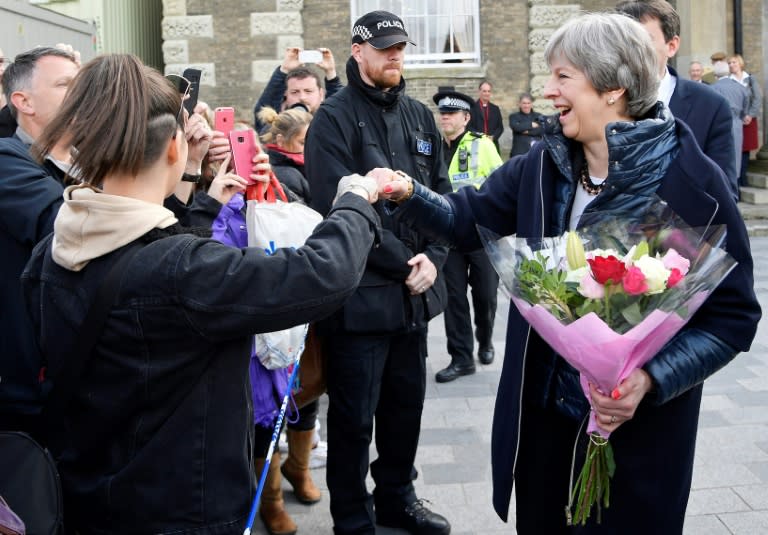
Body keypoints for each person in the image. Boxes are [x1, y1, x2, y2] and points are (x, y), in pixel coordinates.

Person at [375, 12, 760, 534]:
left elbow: (732, 317)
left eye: (562, 76)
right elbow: (467, 220)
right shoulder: (545, 164)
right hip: (544, 425)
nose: (548, 90)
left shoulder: (691, 181)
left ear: (613, 87)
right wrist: (405, 190)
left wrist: (649, 379)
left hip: (639, 431)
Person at [20, 53, 382, 533]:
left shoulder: (54, 248)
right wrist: (356, 199)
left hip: (86, 496)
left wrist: (200, 187)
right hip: (185, 509)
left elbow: (149, 243)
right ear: (172, 147)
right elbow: (322, 273)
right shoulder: (182, 272)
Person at [304, 10, 452, 535]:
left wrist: (434, 258)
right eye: (385, 48)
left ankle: (397, 498)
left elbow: (443, 196)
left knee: (404, 410)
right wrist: (403, 260)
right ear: (358, 51)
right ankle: (352, 516)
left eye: (400, 48)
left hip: (414, 296)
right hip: (362, 296)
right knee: (352, 418)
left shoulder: (419, 116)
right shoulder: (333, 119)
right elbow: (334, 204)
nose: (395, 56)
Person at [0, 46, 80, 435]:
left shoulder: (92, 165)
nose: (84, 94)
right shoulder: (6, 160)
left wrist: (184, 172)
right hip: (29, 393)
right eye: (67, 84)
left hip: (81, 384)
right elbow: (72, 229)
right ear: (23, 101)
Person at [616, 0, 737, 196]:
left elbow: (723, 196)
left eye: (643, 41)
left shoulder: (710, 106)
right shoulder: (593, 101)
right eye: (622, 41)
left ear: (671, 46)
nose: (630, 52)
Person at [431, 87, 502, 383]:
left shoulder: (482, 145)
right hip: (448, 235)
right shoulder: (432, 146)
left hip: (481, 233)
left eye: (451, 114)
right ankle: (461, 358)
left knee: (485, 296)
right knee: (454, 299)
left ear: (465, 118)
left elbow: (500, 185)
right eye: (442, 113)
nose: (444, 118)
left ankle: (484, 340)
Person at [254, 47, 342, 131]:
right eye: (294, 92)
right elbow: (264, 111)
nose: (302, 97)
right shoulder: (277, 130)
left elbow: (343, 112)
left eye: (308, 91)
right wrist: (284, 70)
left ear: (321, 94)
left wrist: (331, 73)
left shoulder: (330, 127)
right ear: (286, 95)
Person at [710, 60, 749, 199]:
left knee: (719, 157)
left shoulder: (712, 88)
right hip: (737, 124)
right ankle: (735, 191)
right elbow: (745, 107)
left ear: (715, 74)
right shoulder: (740, 88)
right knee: (736, 157)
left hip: (719, 124)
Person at [258, 105, 313, 201]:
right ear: (280, 140)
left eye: (312, 141)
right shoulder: (287, 176)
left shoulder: (300, 166)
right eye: (303, 142)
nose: (310, 147)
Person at [728, 53, 763, 187]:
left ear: (740, 64)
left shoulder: (750, 79)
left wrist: (750, 114)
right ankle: (737, 179)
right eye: (730, 63)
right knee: (735, 149)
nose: (731, 65)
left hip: (748, 120)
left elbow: (757, 98)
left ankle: (744, 178)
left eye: (734, 62)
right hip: (734, 119)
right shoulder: (728, 80)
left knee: (745, 149)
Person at [468, 80, 504, 154]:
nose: (487, 93)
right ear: (479, 92)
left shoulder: (495, 108)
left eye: (489, 91)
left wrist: (493, 137)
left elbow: (500, 127)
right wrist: (481, 137)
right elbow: (468, 127)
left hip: (492, 144)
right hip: (477, 145)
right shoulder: (472, 108)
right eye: (484, 91)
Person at [508, 92, 543, 158]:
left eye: (528, 103)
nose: (526, 106)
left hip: (536, 152)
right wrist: (531, 124)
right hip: (519, 153)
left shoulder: (539, 116)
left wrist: (527, 131)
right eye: (524, 103)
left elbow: (541, 130)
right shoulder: (513, 116)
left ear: (531, 104)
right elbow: (516, 128)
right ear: (520, 104)